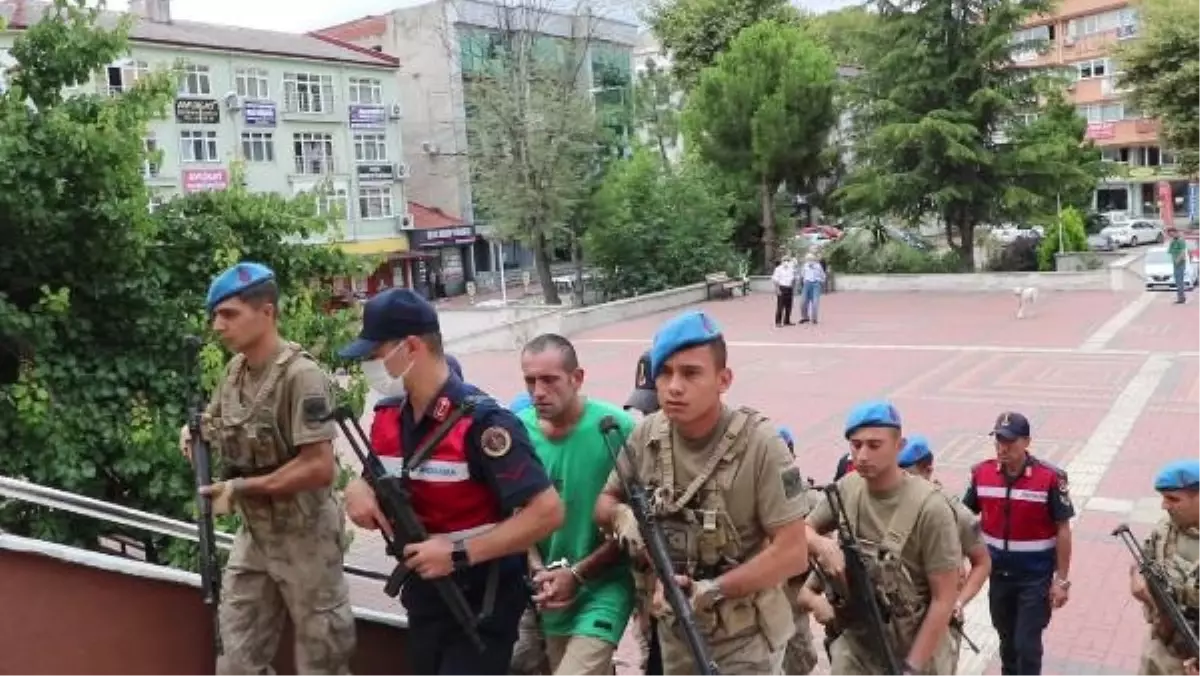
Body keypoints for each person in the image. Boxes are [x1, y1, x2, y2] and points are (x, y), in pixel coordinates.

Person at [338, 288, 565, 676]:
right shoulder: (390, 415)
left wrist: (458, 554)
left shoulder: (484, 425)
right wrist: (357, 489)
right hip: (425, 593)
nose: (368, 367)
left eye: (374, 356)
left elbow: (546, 512)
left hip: (482, 597)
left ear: (411, 347)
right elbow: (378, 472)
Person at [595, 310, 809, 675]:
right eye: (665, 373)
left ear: (723, 379)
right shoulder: (646, 435)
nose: (674, 386)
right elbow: (605, 503)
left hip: (744, 638)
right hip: (674, 631)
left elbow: (792, 553)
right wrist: (625, 519)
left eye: (691, 373)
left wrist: (711, 589)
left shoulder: (760, 445)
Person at [179, 261, 356, 674]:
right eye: (214, 316)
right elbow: (214, 422)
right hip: (257, 535)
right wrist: (193, 435)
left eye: (229, 314)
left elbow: (319, 468)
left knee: (323, 661)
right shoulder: (235, 372)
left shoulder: (301, 375)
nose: (217, 326)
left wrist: (240, 489)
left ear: (267, 312)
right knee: (236, 662)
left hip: (306, 536)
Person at [805, 401, 962, 675]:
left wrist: (912, 668)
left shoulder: (931, 508)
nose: (862, 455)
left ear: (899, 446)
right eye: (856, 445)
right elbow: (800, 528)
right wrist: (822, 544)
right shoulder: (846, 489)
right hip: (861, 643)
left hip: (917, 647)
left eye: (874, 445)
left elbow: (943, 599)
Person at [511, 334, 635, 675]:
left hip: (605, 584)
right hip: (546, 591)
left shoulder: (617, 430)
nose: (537, 391)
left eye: (549, 380)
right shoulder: (516, 433)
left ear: (577, 378)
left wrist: (578, 574)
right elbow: (514, 516)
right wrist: (538, 570)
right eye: (530, 380)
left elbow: (637, 523)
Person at [962, 412, 1074, 676]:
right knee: (1007, 642)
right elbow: (963, 518)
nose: (1003, 448)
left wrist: (1062, 580)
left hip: (1034, 579)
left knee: (1027, 645)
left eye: (1010, 442)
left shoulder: (1049, 479)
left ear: (1027, 442)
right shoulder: (982, 474)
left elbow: (1063, 530)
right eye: (999, 440)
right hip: (998, 576)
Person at [898, 436, 991, 675]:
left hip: (938, 624)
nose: (901, 480)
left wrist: (959, 602)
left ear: (928, 470)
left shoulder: (953, 512)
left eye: (908, 473)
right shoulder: (891, 507)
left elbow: (982, 562)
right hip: (897, 622)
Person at [1131, 459, 1200, 676]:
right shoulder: (1166, 528)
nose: (1164, 505)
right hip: (1160, 646)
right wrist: (1136, 577)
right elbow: (1144, 559)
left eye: (1173, 499)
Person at [621, 349, 665, 676]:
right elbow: (608, 501)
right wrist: (622, 516)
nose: (648, 417)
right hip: (648, 591)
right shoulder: (639, 446)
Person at [777, 426, 822, 676]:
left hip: (794, 592)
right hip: (763, 589)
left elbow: (827, 543)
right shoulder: (754, 494)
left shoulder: (810, 499)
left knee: (801, 657)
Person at [798, 253, 826, 325]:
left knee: (815, 302)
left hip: (815, 284)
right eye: (808, 259)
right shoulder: (805, 266)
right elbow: (801, 275)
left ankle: (814, 318)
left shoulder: (818, 266)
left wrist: (820, 282)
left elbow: (823, 276)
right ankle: (805, 317)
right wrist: (801, 283)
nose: (809, 261)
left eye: (811, 259)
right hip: (807, 284)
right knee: (803, 302)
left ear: (814, 259)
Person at [772, 258, 796, 327]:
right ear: (782, 261)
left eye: (788, 260)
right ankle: (778, 322)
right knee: (780, 306)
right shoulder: (778, 269)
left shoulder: (791, 269)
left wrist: (792, 287)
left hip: (789, 288)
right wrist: (777, 289)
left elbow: (793, 278)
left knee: (789, 306)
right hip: (781, 288)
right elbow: (775, 280)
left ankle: (787, 320)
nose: (786, 262)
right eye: (785, 260)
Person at [1168, 228, 1189, 305]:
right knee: (1177, 281)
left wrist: (1178, 260)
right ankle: (1180, 297)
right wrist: (1172, 242)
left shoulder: (1181, 240)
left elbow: (1183, 252)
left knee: (1179, 281)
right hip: (1175, 264)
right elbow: (1170, 251)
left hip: (1180, 263)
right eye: (1169, 235)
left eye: (1171, 234)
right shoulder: (1173, 241)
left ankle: (1181, 298)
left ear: (1175, 232)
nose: (1171, 235)